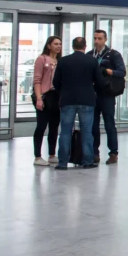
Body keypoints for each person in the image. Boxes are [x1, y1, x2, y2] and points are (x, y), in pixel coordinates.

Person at [52, 37, 102, 170]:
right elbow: (99, 81)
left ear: (73, 46)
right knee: (86, 131)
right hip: (87, 100)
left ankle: (62, 162)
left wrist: (63, 91)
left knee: (65, 131)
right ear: (85, 46)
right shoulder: (92, 61)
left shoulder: (63, 61)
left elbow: (56, 82)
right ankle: (87, 161)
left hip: (67, 100)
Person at [91, 30, 126, 165]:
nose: (97, 41)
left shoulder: (113, 55)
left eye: (99, 38)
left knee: (109, 124)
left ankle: (113, 152)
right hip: (93, 94)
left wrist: (107, 71)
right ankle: (94, 152)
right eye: (95, 38)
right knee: (93, 125)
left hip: (107, 94)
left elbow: (122, 72)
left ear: (105, 39)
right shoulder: (90, 55)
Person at [32, 36, 62, 166]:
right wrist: (39, 97)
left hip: (56, 96)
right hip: (44, 95)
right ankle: (37, 156)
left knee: (54, 126)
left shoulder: (60, 61)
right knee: (41, 126)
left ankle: (52, 154)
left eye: (60, 44)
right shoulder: (41, 59)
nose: (58, 46)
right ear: (49, 45)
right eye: (55, 44)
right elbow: (37, 80)